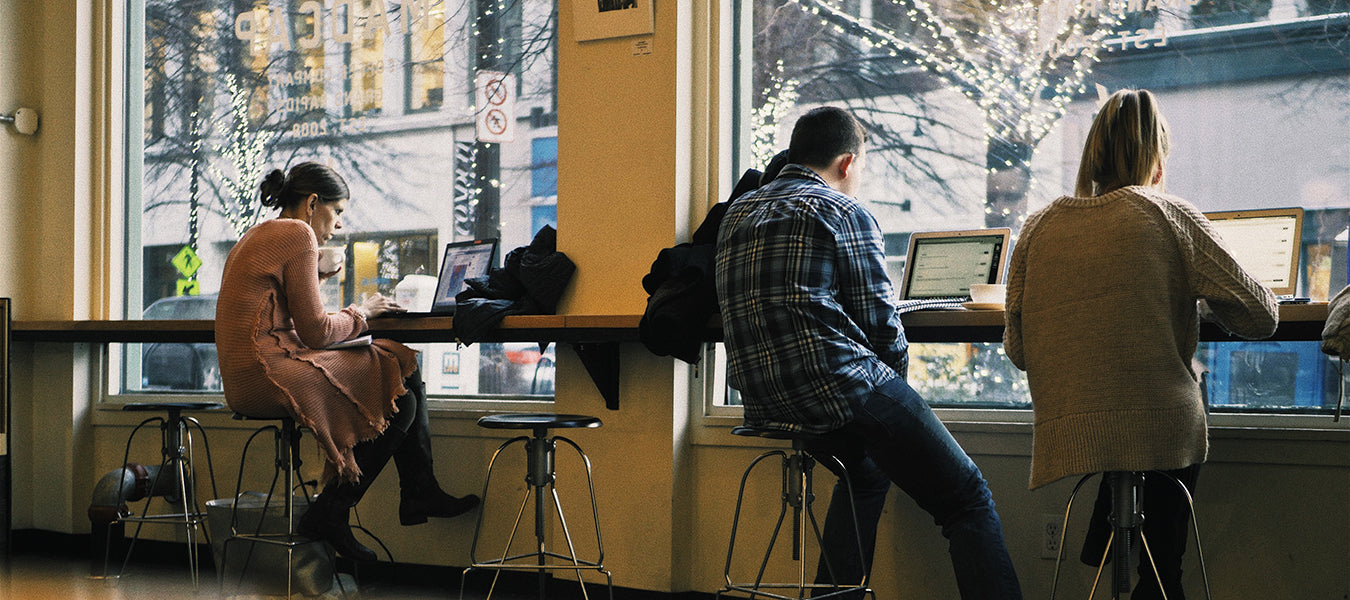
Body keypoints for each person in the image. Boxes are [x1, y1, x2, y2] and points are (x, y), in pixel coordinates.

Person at [716, 106, 1023, 599]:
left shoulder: (738, 213)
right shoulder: (842, 211)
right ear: (846, 162)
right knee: (967, 498)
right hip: (838, 391)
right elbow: (881, 327)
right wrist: (897, 393)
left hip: (767, 400)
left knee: (866, 470)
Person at [1003, 89, 1278, 599]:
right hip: (1160, 427)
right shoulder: (1169, 214)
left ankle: (1107, 539)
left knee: (1118, 432)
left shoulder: (1038, 226)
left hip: (1073, 426)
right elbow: (1262, 315)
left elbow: (1019, 351)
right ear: (1156, 158)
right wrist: (1189, 295)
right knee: (1164, 411)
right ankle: (1155, 575)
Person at [215, 161, 479, 562]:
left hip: (245, 376)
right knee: (400, 385)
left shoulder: (259, 233)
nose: (337, 225)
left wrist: (317, 276)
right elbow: (317, 332)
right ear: (312, 203)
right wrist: (365, 310)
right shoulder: (297, 233)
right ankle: (337, 511)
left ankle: (413, 493)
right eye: (336, 211)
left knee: (396, 364)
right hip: (268, 372)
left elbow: (278, 314)